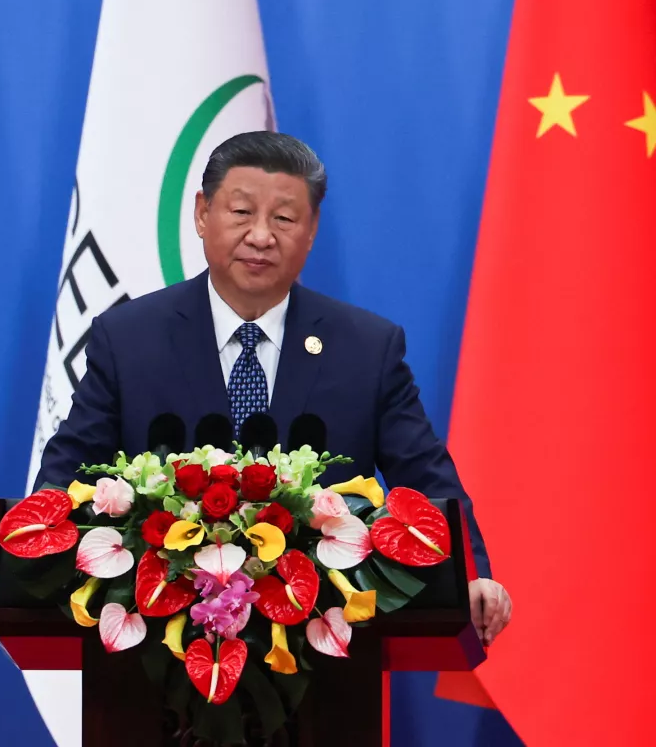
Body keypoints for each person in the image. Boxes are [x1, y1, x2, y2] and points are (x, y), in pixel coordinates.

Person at [37, 131, 512, 646]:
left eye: (284, 219)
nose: (261, 236)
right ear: (202, 213)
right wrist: (38, 552)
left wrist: (469, 573)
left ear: (311, 231)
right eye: (241, 212)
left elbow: (425, 478)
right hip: (156, 646)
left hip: (325, 648)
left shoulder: (366, 349)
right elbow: (68, 474)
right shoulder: (129, 340)